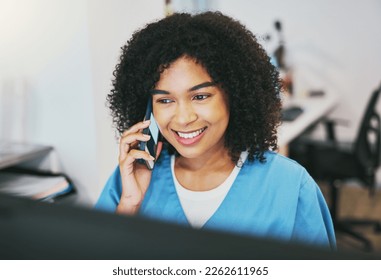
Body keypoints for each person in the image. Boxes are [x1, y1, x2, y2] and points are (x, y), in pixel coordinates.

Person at [95, 12, 336, 249]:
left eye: (200, 96)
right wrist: (129, 206)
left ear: (234, 95)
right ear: (148, 108)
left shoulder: (290, 186)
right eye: (165, 100)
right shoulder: (129, 180)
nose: (183, 118)